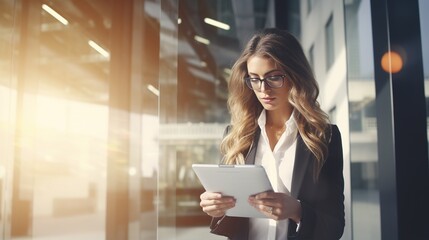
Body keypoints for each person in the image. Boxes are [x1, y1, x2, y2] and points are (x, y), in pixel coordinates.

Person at [199, 28, 345, 240]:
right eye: (254, 79)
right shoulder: (236, 136)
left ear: (295, 75)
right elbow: (233, 221)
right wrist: (217, 209)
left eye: (274, 77)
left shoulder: (325, 138)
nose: (263, 89)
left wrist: (296, 211)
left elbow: (334, 227)